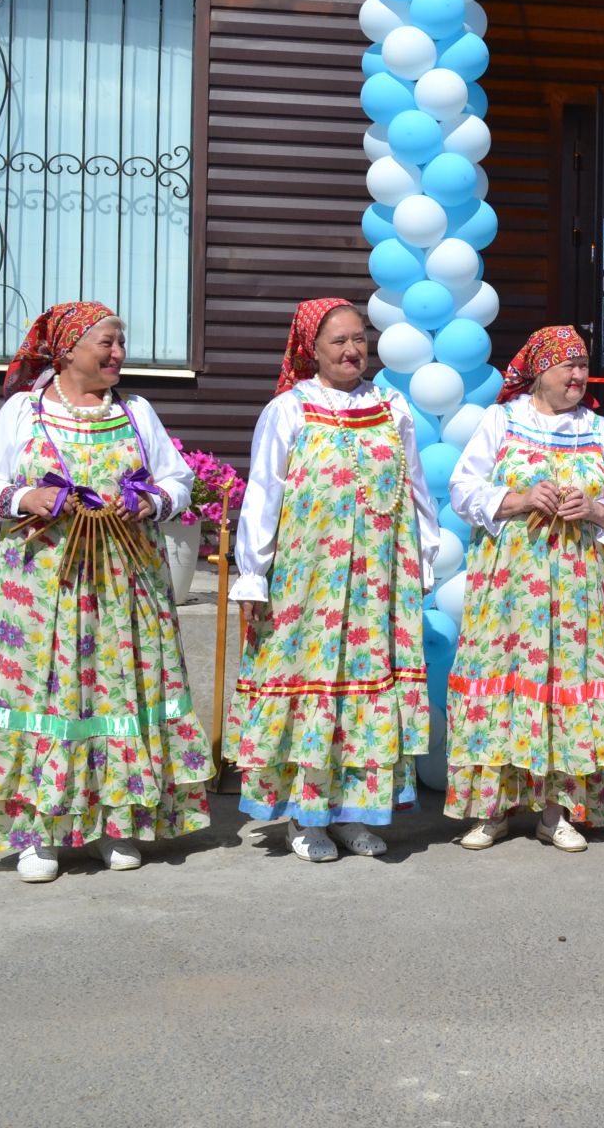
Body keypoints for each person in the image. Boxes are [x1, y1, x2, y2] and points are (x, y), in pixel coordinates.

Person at [0, 302, 212, 882]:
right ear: (68, 347)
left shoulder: (136, 410)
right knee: (47, 696)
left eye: (120, 342)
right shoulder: (24, 412)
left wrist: (150, 500)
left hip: (127, 580)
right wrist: (26, 498)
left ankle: (117, 823)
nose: (117, 354)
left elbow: (179, 479)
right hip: (44, 584)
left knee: (120, 694)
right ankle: (36, 834)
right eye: (106, 342)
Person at [226, 298, 438, 862]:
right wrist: (253, 575)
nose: (352, 350)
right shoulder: (289, 410)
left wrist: (424, 556)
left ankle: (352, 813)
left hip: (379, 579)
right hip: (308, 581)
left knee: (363, 695)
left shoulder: (392, 407)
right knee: (310, 685)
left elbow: (414, 488)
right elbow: (263, 494)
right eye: (337, 342)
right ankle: (305, 814)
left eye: (358, 339)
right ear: (311, 350)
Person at [444, 326, 604, 853]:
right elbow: (463, 490)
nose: (578, 376)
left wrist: (597, 510)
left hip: (576, 591)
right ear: (539, 371)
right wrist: (520, 497)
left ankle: (557, 810)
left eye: (583, 366)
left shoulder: (603, 432)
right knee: (505, 685)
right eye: (567, 366)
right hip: (509, 590)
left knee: (563, 687)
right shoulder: (501, 420)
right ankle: (495, 809)